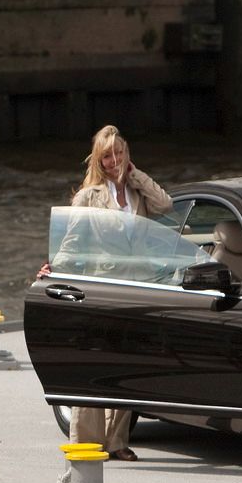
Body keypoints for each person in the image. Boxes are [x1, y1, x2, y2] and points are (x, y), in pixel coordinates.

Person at [65, 125, 173, 460]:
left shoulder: (139, 194)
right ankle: (86, 444)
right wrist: (54, 273)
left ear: (127, 154)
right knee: (94, 367)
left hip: (136, 289)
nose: (114, 160)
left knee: (127, 365)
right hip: (101, 290)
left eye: (119, 153)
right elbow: (71, 246)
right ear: (98, 160)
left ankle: (116, 442)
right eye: (107, 155)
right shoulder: (88, 197)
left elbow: (166, 204)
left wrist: (135, 175)